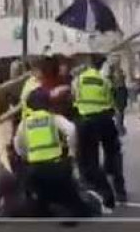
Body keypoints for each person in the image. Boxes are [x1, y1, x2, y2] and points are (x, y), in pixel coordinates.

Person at [15, 88, 98, 218]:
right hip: (57, 169)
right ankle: (71, 208)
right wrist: (71, 152)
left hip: (36, 172)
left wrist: (27, 158)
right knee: (73, 199)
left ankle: (43, 206)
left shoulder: (24, 124)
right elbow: (71, 130)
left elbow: (18, 146)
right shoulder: (53, 119)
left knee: (38, 195)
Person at [73, 55, 127, 208]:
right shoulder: (104, 80)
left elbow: (74, 97)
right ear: (102, 64)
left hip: (86, 121)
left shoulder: (79, 79)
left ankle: (93, 188)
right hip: (104, 119)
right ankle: (119, 188)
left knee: (89, 158)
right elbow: (111, 101)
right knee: (113, 153)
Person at [110, 65, 129, 135]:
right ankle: (119, 129)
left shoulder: (120, 84)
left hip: (120, 97)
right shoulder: (114, 83)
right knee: (119, 114)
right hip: (117, 98)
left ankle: (119, 128)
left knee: (120, 114)